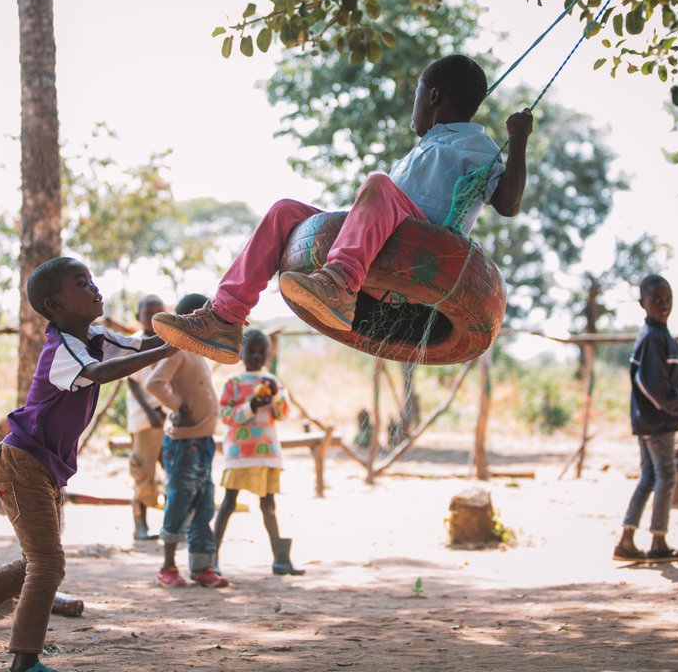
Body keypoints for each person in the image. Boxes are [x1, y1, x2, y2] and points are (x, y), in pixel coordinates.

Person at [153, 54, 533, 363]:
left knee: (378, 184)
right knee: (286, 211)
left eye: (416, 96)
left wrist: (517, 141)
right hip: (381, 238)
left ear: (433, 96)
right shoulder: (425, 146)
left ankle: (338, 285)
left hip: (423, 244)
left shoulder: (477, 147)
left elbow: (508, 203)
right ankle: (225, 317)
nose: (413, 107)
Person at [0, 258, 175, 672]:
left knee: (36, 562)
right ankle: (25, 661)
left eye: (92, 279)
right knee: (47, 564)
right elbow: (100, 373)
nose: (95, 287)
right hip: (21, 462)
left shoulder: (94, 336)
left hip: (40, 466)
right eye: (82, 283)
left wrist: (187, 331)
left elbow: (141, 345)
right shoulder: (61, 349)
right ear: (55, 304)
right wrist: (168, 348)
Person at [146, 293, 229, 588]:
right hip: (185, 445)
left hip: (203, 442)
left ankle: (201, 567)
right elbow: (153, 383)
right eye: (207, 317)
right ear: (192, 320)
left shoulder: (198, 351)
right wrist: (178, 406)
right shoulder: (178, 350)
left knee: (204, 504)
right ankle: (167, 566)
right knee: (179, 501)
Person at [612, 275, 678, 564]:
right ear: (642, 304)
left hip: (650, 421)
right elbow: (651, 384)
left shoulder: (659, 335)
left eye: (667, 299)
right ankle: (658, 541)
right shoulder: (653, 337)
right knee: (666, 476)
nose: (663, 305)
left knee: (649, 476)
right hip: (657, 422)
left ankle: (626, 540)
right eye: (656, 300)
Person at [214, 329, 303, 575]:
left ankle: (281, 560)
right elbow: (226, 416)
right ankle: (211, 557)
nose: (255, 355)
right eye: (250, 350)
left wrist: (273, 398)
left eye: (261, 351)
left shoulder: (273, 382)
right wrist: (251, 406)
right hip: (239, 454)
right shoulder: (233, 383)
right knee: (228, 503)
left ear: (269, 354)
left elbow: (283, 414)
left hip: (267, 453)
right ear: (239, 353)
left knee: (269, 504)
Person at [127, 294, 168, 540]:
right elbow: (132, 383)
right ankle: (140, 525)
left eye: (158, 313)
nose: (153, 319)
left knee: (170, 467)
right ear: (137, 318)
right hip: (144, 419)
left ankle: (171, 524)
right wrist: (150, 411)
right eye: (148, 314)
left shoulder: (169, 341)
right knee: (142, 470)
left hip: (167, 415)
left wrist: (165, 409)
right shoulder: (131, 344)